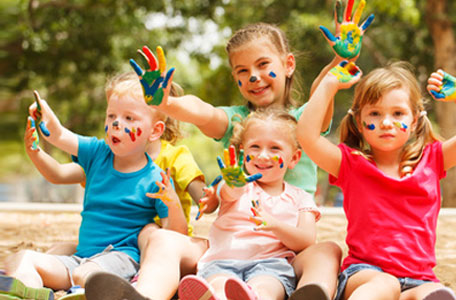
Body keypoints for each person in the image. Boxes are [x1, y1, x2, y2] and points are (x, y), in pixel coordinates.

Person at [120, 22, 346, 300]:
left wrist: (341, 59)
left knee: (328, 251)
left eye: (263, 65)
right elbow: (202, 112)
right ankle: (144, 295)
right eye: (243, 71)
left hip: (283, 255)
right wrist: (167, 104)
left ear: (288, 64)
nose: (254, 76)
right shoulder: (236, 122)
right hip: (228, 251)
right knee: (161, 239)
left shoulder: (304, 123)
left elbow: (324, 89)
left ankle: (308, 295)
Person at [297, 61, 456, 300]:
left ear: (415, 120)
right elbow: (306, 136)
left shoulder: (432, 160)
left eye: (398, 113)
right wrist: (328, 85)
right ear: (358, 122)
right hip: (366, 274)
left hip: (419, 278)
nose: (386, 122)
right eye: (375, 113)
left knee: (438, 294)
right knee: (385, 285)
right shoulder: (349, 164)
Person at [1, 72, 187, 300]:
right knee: (23, 259)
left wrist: (172, 201)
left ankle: (86, 294)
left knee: (85, 275)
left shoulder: (156, 178)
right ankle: (29, 293)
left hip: (121, 259)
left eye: (129, 118)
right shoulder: (97, 152)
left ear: (155, 131)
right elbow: (59, 135)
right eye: (111, 116)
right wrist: (37, 145)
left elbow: (175, 234)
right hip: (80, 259)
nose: (117, 123)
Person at [178, 108, 321, 300]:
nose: (262, 155)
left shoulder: (300, 197)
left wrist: (274, 225)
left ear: (294, 158)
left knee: (265, 288)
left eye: (274, 148)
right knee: (219, 285)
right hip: (222, 262)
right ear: (242, 153)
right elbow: (229, 193)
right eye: (255, 147)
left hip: (270, 265)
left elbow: (306, 239)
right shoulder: (236, 185)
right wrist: (233, 183)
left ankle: (255, 297)